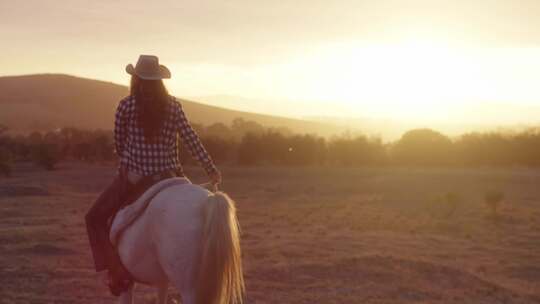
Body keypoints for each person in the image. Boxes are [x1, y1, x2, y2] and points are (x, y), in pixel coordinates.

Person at [85, 55, 221, 296]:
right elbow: (191, 139)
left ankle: (117, 273)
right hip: (170, 176)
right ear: (160, 80)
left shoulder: (126, 106)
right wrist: (211, 169)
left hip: (135, 177)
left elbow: (119, 142)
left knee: (94, 218)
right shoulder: (174, 106)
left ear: (135, 79)